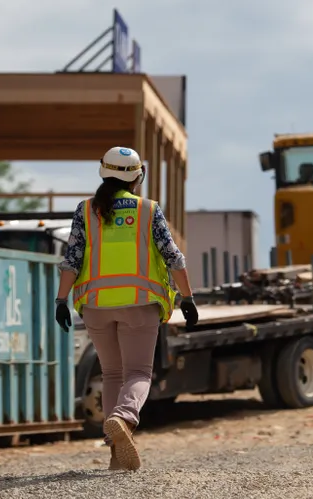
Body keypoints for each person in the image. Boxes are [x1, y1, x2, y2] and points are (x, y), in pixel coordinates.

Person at [54, 146, 197, 472]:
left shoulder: (86, 210)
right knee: (137, 373)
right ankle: (124, 417)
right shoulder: (148, 210)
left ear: (103, 172)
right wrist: (187, 297)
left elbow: (71, 261)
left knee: (113, 374)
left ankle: (117, 456)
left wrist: (61, 301)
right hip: (140, 304)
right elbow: (174, 258)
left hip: (96, 306)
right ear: (138, 176)